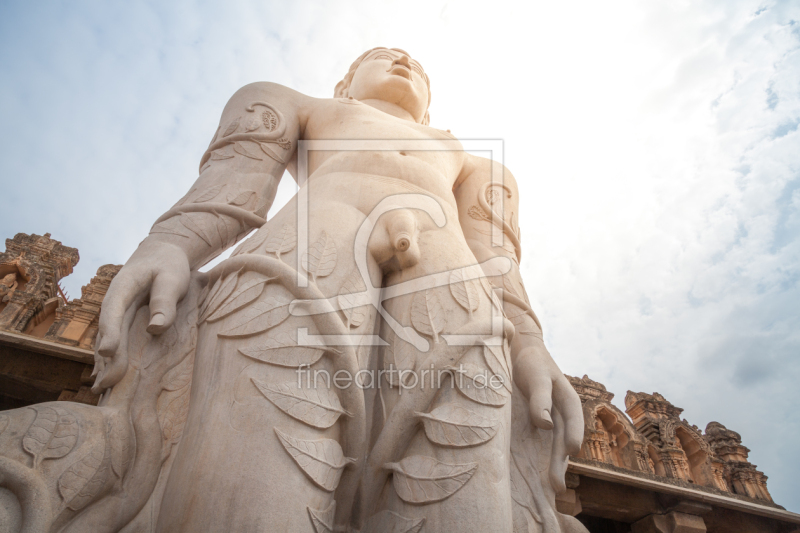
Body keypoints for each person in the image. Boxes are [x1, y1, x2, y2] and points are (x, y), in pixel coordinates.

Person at [0, 48, 585, 533]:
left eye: (416, 66)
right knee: (261, 455)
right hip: (304, 254)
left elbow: (497, 260)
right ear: (345, 82)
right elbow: (233, 183)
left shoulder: (480, 167)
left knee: (460, 477)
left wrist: (530, 344)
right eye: (380, 56)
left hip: (452, 287)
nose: (402, 61)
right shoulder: (295, 103)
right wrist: (170, 246)